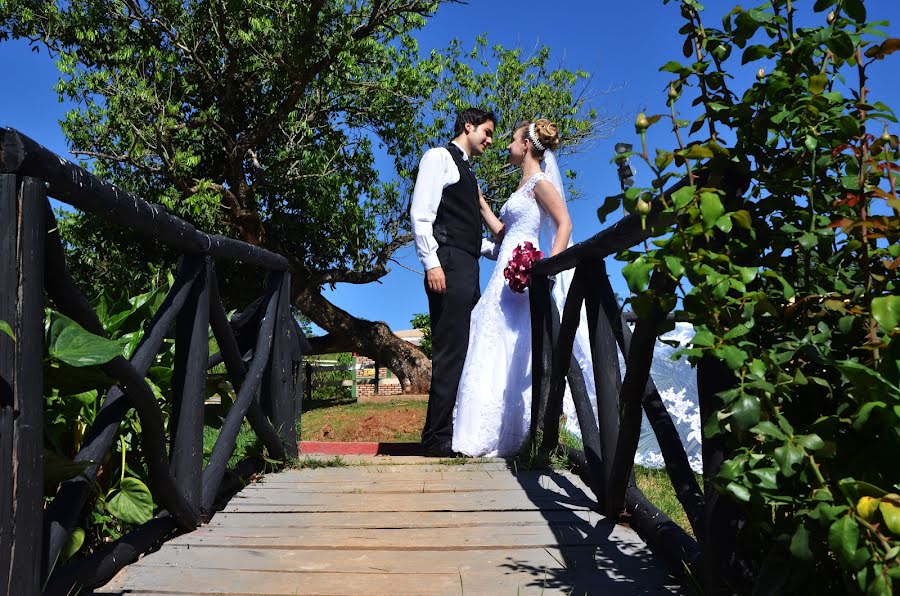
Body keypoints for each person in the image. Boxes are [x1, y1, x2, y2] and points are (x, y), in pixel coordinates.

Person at [452, 118, 592, 457]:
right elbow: (505, 234)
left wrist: (550, 267)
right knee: (488, 335)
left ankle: (517, 433)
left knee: (512, 342)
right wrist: (483, 206)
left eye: (513, 141)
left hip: (524, 274)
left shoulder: (541, 183)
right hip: (503, 270)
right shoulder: (520, 187)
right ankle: (477, 434)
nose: (508, 146)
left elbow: (564, 223)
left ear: (526, 145)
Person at [410, 107, 497, 457]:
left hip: (468, 265)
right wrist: (431, 263)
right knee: (449, 351)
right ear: (468, 126)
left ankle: (453, 432)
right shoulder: (438, 158)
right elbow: (421, 213)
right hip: (447, 263)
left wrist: (502, 250)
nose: (490, 141)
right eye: (487, 133)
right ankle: (436, 438)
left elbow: (469, 232)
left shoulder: (468, 173)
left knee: (464, 351)